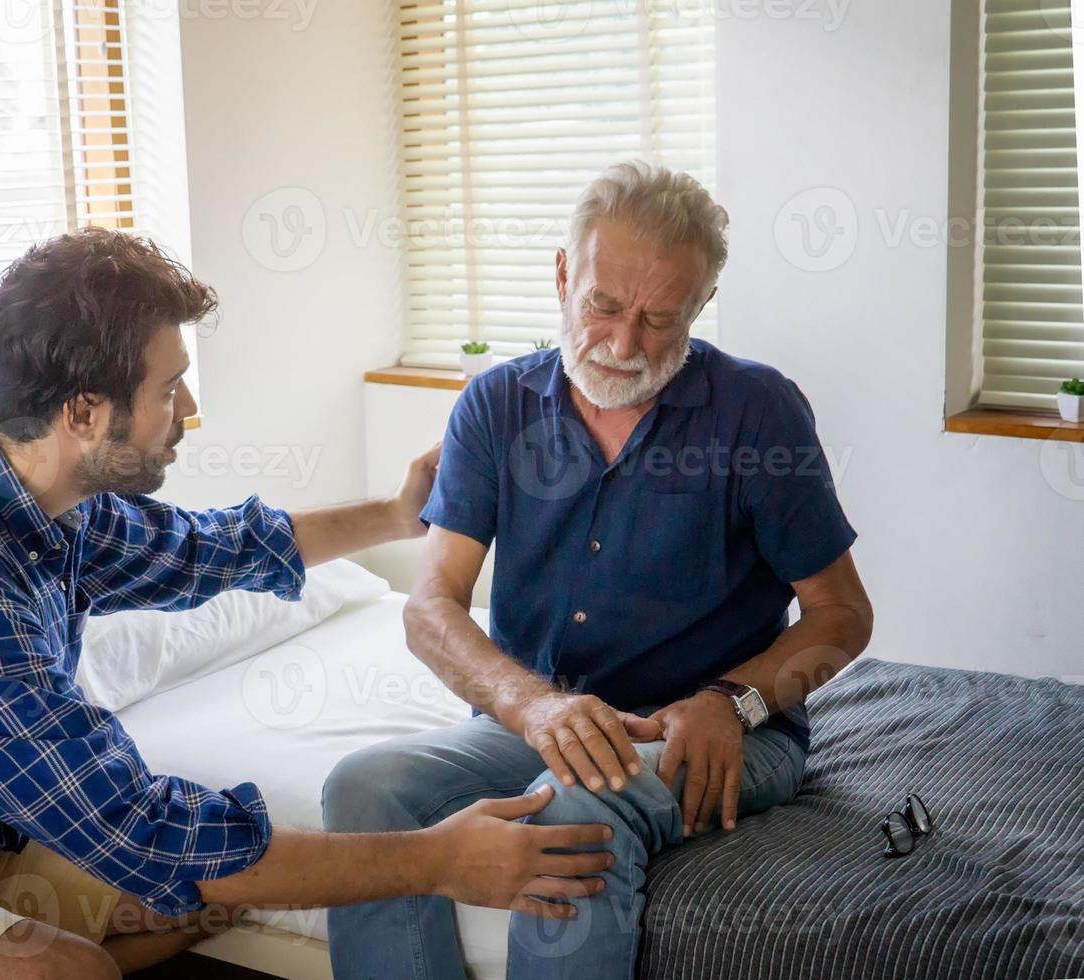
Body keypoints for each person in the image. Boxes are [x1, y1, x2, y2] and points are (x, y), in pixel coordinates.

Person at [0, 229, 612, 980]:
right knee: (70, 960)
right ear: (86, 413)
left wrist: (398, 513)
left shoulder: (32, 492)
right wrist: (436, 859)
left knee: (213, 888)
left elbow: (211, 549)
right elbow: (141, 829)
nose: (188, 413)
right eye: (172, 388)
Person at [323, 160, 875, 979]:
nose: (623, 345)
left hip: (715, 731)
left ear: (701, 305)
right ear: (561, 274)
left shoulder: (758, 411)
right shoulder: (495, 404)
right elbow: (429, 605)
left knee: (580, 807)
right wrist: (530, 706)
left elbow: (842, 616)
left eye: (660, 319)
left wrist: (733, 701)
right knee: (366, 788)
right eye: (604, 306)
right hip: (541, 722)